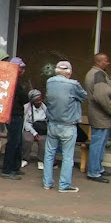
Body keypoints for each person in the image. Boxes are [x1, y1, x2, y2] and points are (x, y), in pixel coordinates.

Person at [43, 61, 87, 193]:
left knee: (49, 154)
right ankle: (64, 185)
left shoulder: (50, 82)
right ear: (69, 72)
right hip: (68, 125)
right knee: (68, 156)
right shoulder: (73, 84)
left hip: (52, 123)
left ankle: (47, 183)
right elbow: (84, 96)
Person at [84, 53, 111, 183]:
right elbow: (102, 97)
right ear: (98, 62)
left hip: (101, 115)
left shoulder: (97, 73)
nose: (108, 63)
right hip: (101, 115)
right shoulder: (98, 75)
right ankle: (94, 172)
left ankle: (98, 168)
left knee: (100, 144)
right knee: (97, 144)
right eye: (106, 61)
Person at [2, 57, 29, 180]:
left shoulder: (13, 81)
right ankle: (7, 170)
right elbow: (24, 98)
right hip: (13, 115)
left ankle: (15, 167)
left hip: (15, 114)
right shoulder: (14, 82)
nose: (23, 71)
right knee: (13, 142)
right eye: (21, 69)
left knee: (18, 142)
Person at [23, 89, 49, 169]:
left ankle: (41, 160)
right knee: (28, 140)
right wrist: (34, 132)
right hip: (30, 128)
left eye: (40, 99)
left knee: (43, 140)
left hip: (41, 129)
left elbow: (47, 119)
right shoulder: (26, 108)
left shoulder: (44, 108)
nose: (39, 101)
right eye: (37, 100)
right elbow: (26, 122)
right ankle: (24, 158)